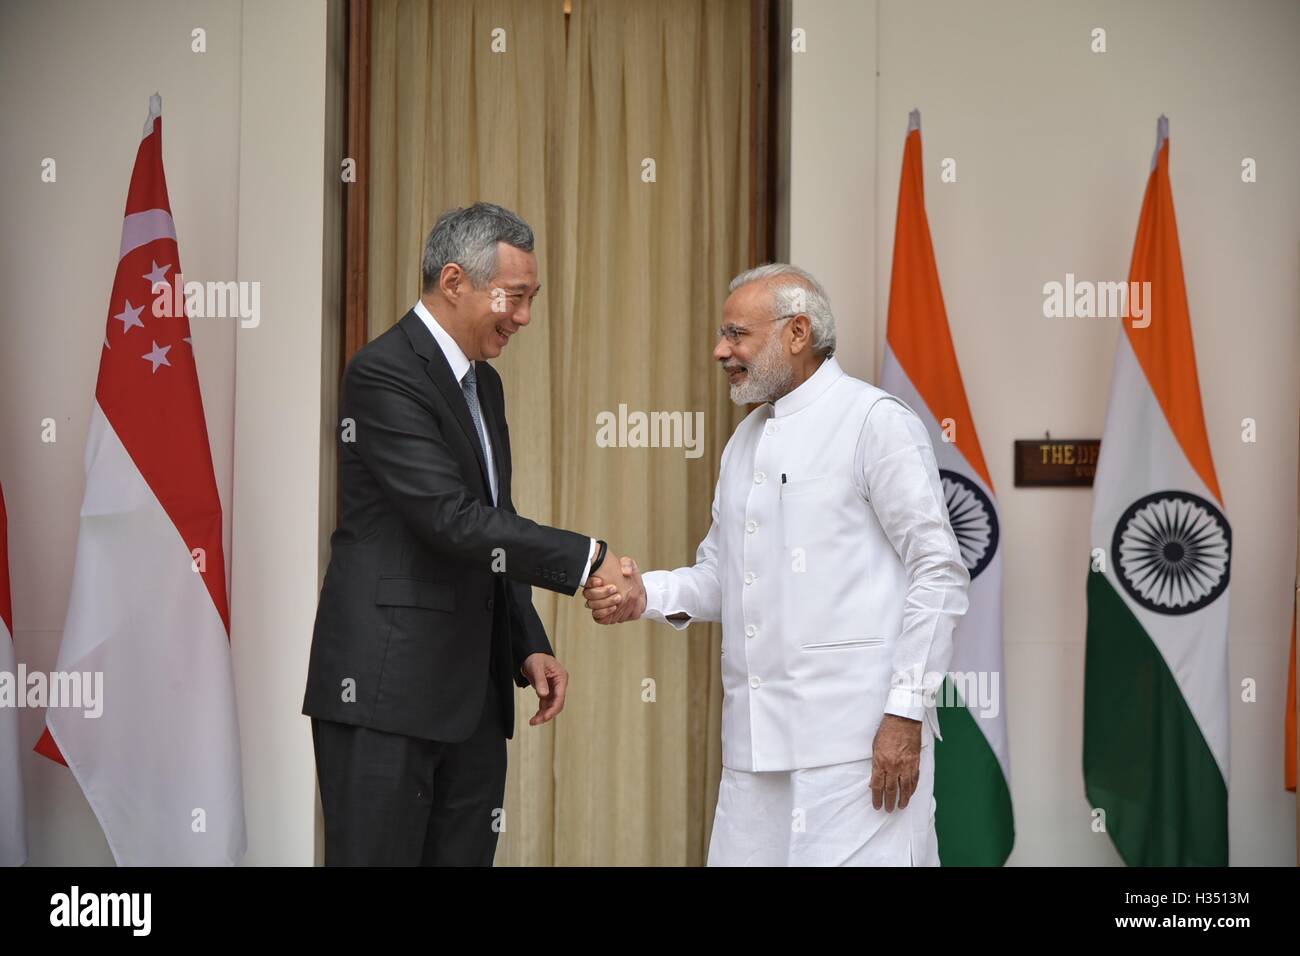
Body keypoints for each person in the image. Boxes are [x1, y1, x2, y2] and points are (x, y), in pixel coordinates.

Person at [584, 263, 970, 866]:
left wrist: (905, 713)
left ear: (797, 333)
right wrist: (645, 595)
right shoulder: (745, 440)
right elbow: (721, 574)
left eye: (737, 334)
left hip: (857, 752)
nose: (720, 351)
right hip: (754, 755)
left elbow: (939, 571)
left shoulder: (874, 421)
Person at [304, 202, 633, 865]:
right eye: (514, 298)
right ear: (454, 282)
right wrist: (587, 557)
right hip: (386, 694)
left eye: (532, 299)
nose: (524, 318)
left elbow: (495, 518)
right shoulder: (383, 372)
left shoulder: (485, 386)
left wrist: (524, 643)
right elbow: (449, 518)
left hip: (471, 701)